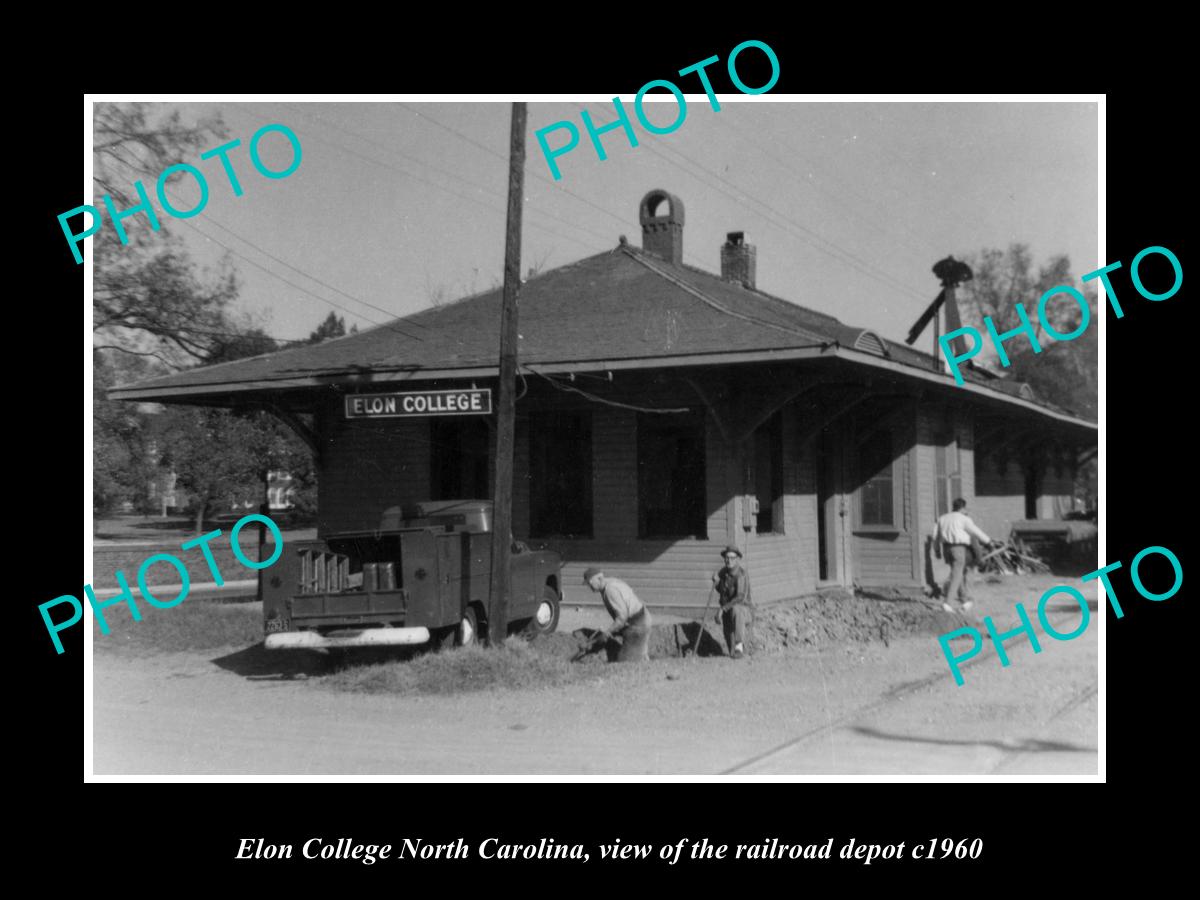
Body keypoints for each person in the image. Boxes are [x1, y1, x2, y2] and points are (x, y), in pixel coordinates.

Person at [936, 498, 996, 613]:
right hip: (958, 548)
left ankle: (964, 600)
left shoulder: (942, 518)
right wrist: (989, 542)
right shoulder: (964, 519)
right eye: (965, 508)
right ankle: (948, 603)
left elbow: (936, 536)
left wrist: (937, 550)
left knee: (958, 572)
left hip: (946, 549)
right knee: (957, 575)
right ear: (962, 508)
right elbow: (976, 531)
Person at [583, 567, 652, 662]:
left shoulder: (610, 590)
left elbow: (622, 617)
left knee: (624, 662)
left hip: (638, 624)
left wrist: (608, 632)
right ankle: (641, 656)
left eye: (590, 583)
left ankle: (640, 658)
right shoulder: (611, 582)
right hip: (639, 619)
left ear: (599, 579)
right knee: (635, 654)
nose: (590, 587)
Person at [713, 546, 752, 659]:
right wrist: (716, 582)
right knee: (731, 653)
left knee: (737, 609)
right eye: (726, 558)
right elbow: (722, 591)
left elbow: (740, 597)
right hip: (727, 612)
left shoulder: (741, 575)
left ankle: (740, 645)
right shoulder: (723, 572)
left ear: (737, 559)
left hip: (743, 611)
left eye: (732, 558)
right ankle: (735, 649)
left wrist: (722, 609)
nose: (729, 560)